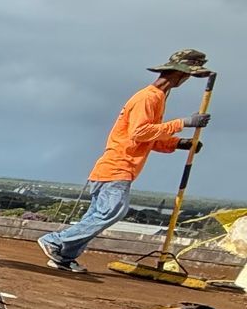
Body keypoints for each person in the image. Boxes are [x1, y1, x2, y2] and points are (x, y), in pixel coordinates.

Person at [38, 48, 211, 273]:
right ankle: (56, 241)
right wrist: (182, 123)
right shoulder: (148, 97)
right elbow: (140, 133)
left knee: (98, 214)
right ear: (182, 75)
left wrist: (179, 143)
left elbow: (148, 138)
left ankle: (64, 255)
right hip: (117, 166)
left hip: (117, 166)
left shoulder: (157, 98)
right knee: (112, 211)